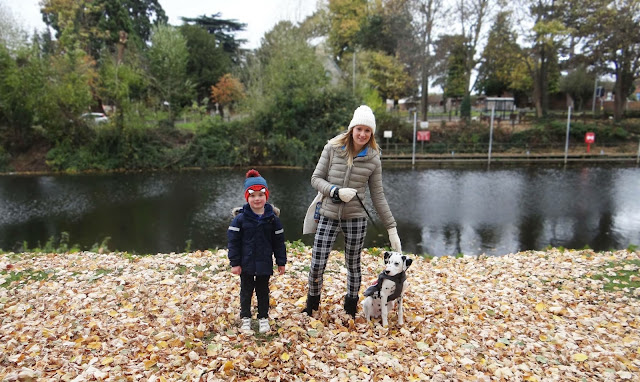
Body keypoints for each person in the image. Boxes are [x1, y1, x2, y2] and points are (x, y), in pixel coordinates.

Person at [303, 105, 401, 318]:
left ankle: (350, 306)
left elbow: (378, 195)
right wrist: (335, 191)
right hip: (328, 214)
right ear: (352, 128)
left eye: (368, 131)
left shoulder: (373, 158)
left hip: (356, 219)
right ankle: (312, 305)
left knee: (353, 264)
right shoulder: (332, 148)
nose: (363, 134)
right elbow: (315, 179)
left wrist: (391, 228)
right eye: (359, 129)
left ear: (371, 133)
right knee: (317, 264)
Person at [228, 169, 286, 333]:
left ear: (266, 196)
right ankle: (245, 317)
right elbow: (233, 242)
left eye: (260, 195)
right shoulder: (240, 219)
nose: (257, 199)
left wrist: (281, 262)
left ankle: (263, 318)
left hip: (264, 263)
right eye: (252, 196)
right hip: (245, 263)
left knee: (263, 291)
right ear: (247, 197)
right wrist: (235, 263)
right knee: (246, 291)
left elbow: (279, 242)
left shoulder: (273, 219)